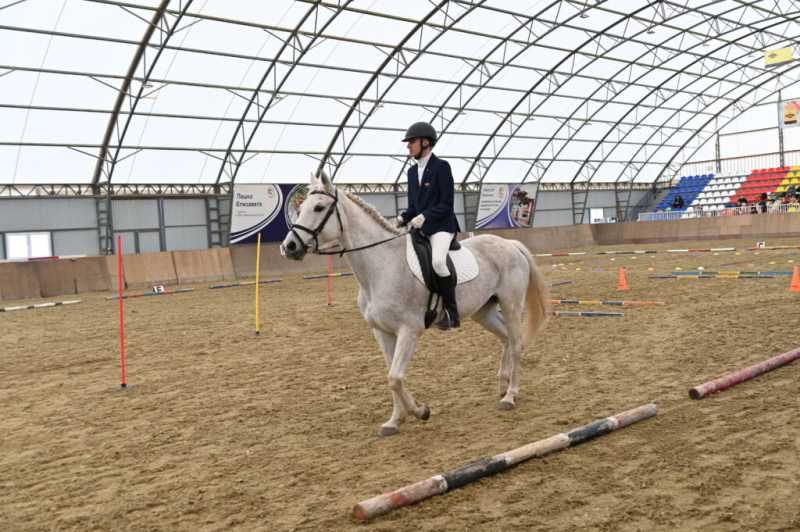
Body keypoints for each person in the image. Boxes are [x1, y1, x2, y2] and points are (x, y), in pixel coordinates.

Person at [396, 121, 461, 330]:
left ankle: (451, 312)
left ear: (425, 142)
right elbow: (413, 207)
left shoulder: (441, 167)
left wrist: (424, 216)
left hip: (442, 226)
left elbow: (446, 204)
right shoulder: (411, 172)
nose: (408, 146)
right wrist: (402, 218)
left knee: (439, 262)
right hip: (421, 228)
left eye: (411, 142)